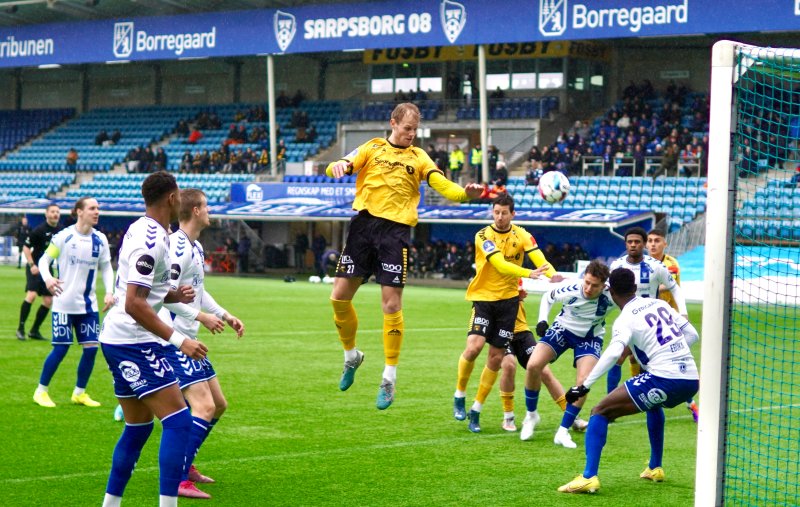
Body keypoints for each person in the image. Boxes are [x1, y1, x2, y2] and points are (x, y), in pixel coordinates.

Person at [326, 102, 482, 410]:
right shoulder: (372, 148)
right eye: (407, 128)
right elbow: (335, 166)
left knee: (392, 304)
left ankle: (389, 377)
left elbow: (443, 186)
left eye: (415, 129)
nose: (412, 134)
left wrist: (465, 194)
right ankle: (351, 357)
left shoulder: (419, 157)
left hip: (394, 234)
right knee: (338, 299)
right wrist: (339, 167)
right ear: (393, 123)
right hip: (362, 227)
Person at [98, 171, 207, 507]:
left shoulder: (143, 228)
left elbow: (147, 291)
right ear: (172, 199)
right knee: (179, 421)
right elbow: (134, 303)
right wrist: (179, 340)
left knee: (138, 428)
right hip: (133, 340)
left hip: (119, 338)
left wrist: (175, 294)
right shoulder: (153, 240)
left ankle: (110, 504)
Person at [558, 268, 699, 494]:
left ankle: (588, 477)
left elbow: (614, 354)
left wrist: (583, 386)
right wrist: (670, 354)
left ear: (610, 292)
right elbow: (693, 335)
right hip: (691, 379)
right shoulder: (660, 304)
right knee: (652, 405)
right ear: (635, 288)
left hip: (665, 377)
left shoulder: (624, 319)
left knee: (599, 411)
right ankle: (655, 467)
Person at [157, 188, 245, 499]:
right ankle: (179, 478)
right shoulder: (178, 247)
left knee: (219, 404)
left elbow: (198, 289)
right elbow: (166, 295)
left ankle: (186, 462)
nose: (210, 211)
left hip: (189, 336)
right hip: (174, 340)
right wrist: (201, 317)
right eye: (206, 206)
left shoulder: (195, 246)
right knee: (204, 406)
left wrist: (223, 314)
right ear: (195, 211)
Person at [452, 194, 563, 432]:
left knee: (495, 358)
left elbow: (539, 259)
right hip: (483, 299)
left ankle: (476, 410)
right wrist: (528, 273)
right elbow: (500, 264)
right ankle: (459, 394)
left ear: (513, 214)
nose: (500, 217)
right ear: (492, 213)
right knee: (473, 347)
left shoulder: (521, 234)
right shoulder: (483, 235)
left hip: (509, 304)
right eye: (496, 212)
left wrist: (553, 276)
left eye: (504, 213)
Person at [31, 197, 113, 409]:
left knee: (91, 349)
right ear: (79, 211)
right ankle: (41, 391)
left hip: (88, 306)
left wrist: (110, 292)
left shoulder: (100, 240)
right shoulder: (64, 237)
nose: (97, 212)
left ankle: (79, 393)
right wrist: (48, 278)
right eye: (92, 208)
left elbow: (106, 267)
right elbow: (43, 260)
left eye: (98, 208)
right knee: (60, 349)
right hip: (64, 305)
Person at [520, 259, 613, 446]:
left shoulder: (612, 296)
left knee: (583, 383)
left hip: (590, 337)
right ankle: (531, 416)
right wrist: (542, 320)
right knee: (533, 365)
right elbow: (548, 297)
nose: (588, 288)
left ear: (604, 286)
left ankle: (563, 431)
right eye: (587, 282)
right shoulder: (571, 287)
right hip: (562, 329)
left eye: (594, 286)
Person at [496, 281, 590, 433]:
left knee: (544, 371)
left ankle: (573, 417)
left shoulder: (515, 273)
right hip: (499, 331)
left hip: (522, 331)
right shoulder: (490, 275)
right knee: (508, 366)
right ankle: (508, 416)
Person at [606, 227, 687, 393]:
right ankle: (610, 400)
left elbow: (675, 288)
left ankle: (678, 398)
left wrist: (683, 313)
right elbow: (608, 291)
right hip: (629, 322)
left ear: (643, 245)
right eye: (630, 242)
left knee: (651, 363)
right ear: (625, 244)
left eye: (637, 242)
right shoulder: (617, 265)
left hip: (652, 324)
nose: (633, 245)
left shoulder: (656, 266)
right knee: (617, 357)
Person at [647, 228, 699, 422]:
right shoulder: (644, 263)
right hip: (650, 319)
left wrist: (641, 286)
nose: (653, 244)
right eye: (650, 241)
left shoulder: (671, 264)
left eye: (657, 241)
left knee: (676, 360)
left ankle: (690, 404)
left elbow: (665, 285)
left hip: (670, 321)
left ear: (664, 244)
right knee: (636, 361)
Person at [18, 204, 62, 341]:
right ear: (46, 214)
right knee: (31, 296)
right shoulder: (39, 230)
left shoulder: (61, 232)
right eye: (52, 211)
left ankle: (34, 330)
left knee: (49, 300)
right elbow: (26, 247)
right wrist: (32, 265)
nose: (55, 214)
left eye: (57, 212)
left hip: (47, 269)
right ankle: (21, 328)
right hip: (35, 268)